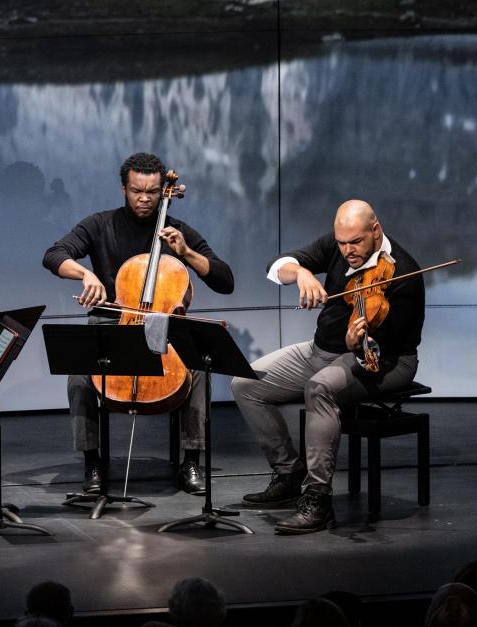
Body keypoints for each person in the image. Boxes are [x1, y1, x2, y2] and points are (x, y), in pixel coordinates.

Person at [42, 152, 235, 495]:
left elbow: (225, 280)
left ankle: (191, 459)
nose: (144, 198)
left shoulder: (179, 232)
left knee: (199, 365)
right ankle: (92, 462)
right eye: (137, 191)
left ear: (164, 190)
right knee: (78, 374)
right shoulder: (100, 224)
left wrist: (187, 253)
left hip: (163, 328)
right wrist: (87, 274)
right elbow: (54, 255)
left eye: (152, 191)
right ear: (124, 189)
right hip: (113, 323)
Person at [230, 199, 425, 534]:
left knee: (320, 388)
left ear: (375, 230)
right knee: (246, 384)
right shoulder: (337, 245)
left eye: (356, 242)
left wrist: (358, 345)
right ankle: (289, 473)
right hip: (321, 351)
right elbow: (275, 265)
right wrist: (302, 273)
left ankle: (317, 499)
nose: (348, 251)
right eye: (342, 243)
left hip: (386, 360)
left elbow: (387, 348)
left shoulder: (406, 274)